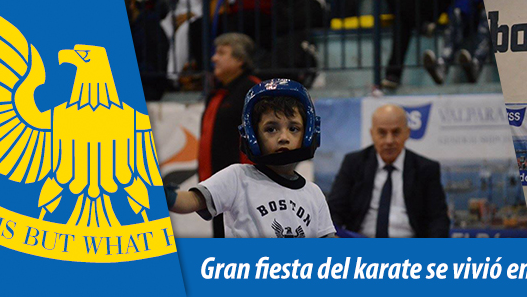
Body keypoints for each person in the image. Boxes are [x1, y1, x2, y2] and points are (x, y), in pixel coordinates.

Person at [167, 79, 335, 238]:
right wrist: (164, 197)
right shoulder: (237, 178)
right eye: (271, 129)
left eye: (293, 128)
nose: (284, 137)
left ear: (307, 133)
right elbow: (191, 201)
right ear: (253, 136)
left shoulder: (314, 194)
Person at [328, 104, 450, 238]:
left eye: (396, 132)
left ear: (407, 133)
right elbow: (334, 211)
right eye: (382, 133)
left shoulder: (426, 169)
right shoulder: (354, 163)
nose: (389, 140)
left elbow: (438, 219)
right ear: (372, 134)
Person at [198, 33, 262, 237]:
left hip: (245, 192)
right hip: (217, 190)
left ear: (240, 60)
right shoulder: (218, 93)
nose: (213, 58)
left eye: (221, 53)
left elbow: (260, 142)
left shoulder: (253, 91)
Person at [422, 0, 490, 84]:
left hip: (488, 11)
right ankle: (442, 65)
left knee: (488, 13)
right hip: (468, 13)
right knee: (456, 13)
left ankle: (476, 65)